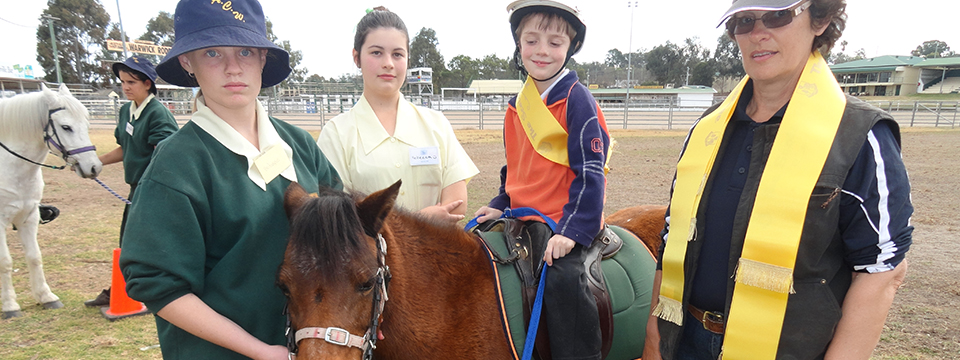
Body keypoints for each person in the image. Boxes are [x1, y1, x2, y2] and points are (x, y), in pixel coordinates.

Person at [644, 0, 913, 359]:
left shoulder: (860, 136)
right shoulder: (707, 130)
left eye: (777, 16)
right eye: (744, 21)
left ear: (820, 19)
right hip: (686, 340)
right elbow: (672, 237)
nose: (758, 33)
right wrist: (655, 338)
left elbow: (881, 271)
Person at [118, 0, 341, 359]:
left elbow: (342, 237)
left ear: (263, 59)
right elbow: (157, 285)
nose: (233, 67)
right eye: (211, 53)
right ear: (187, 63)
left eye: (245, 51)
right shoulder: (176, 164)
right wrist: (259, 351)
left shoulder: (299, 145)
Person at [474, 1, 609, 359]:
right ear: (519, 45)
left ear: (571, 46)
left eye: (554, 42)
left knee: (564, 280)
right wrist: (500, 203)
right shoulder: (516, 106)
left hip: (563, 220)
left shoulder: (578, 100)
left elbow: (591, 171)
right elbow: (514, 169)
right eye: (531, 40)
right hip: (521, 217)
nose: (542, 51)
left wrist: (572, 231)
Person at [317, 7, 478, 223]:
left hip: (435, 256)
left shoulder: (436, 124)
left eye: (397, 54)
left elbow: (456, 205)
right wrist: (420, 220)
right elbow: (338, 220)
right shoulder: (336, 134)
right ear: (357, 57)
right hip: (370, 258)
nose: (388, 63)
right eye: (376, 52)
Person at [84, 55, 179, 308]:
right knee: (128, 241)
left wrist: (154, 191)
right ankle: (123, 288)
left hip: (153, 190)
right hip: (135, 188)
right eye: (122, 81)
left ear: (148, 84)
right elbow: (125, 148)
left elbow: (166, 157)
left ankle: (136, 291)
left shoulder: (158, 114)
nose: (125, 87)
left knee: (140, 242)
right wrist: (97, 162)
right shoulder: (126, 110)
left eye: (131, 82)